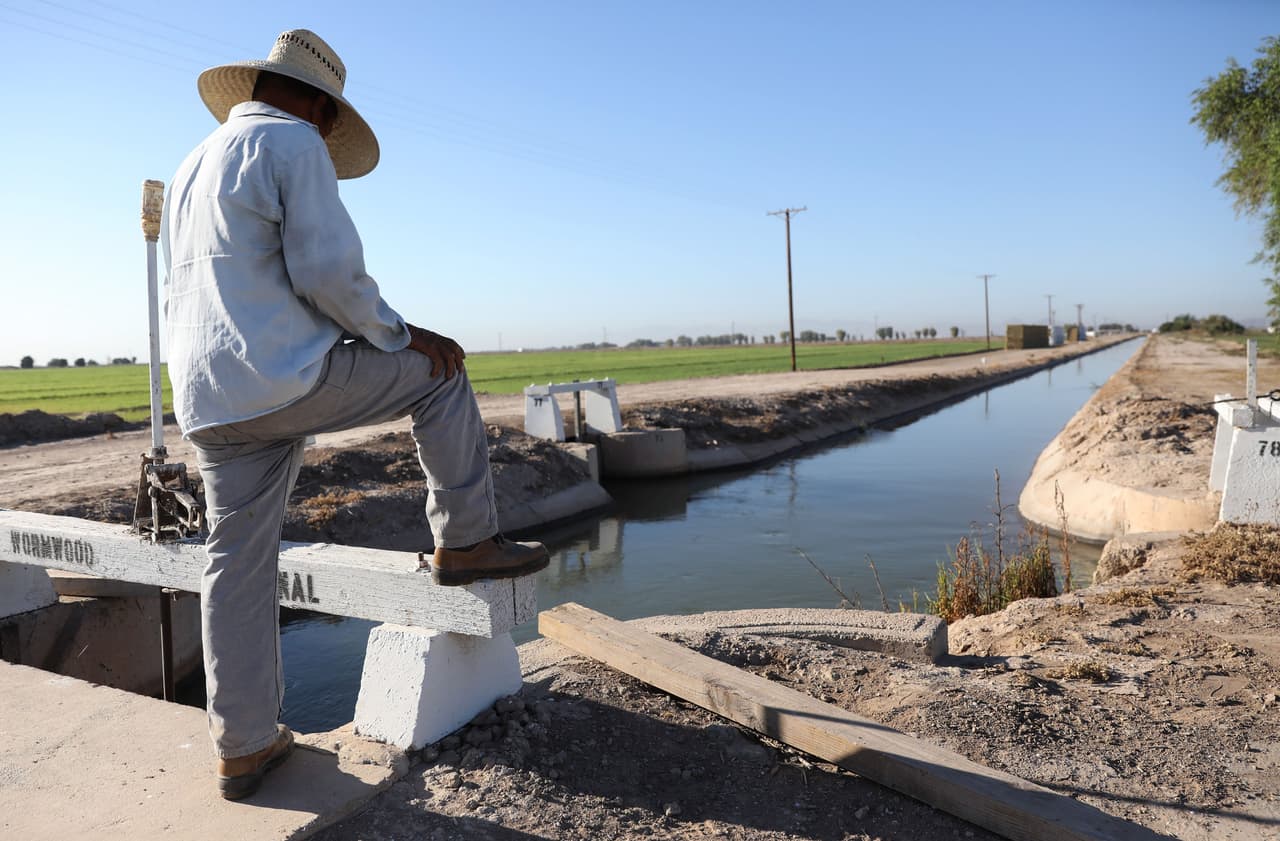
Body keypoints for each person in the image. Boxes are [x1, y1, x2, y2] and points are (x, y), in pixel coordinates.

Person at [162, 29, 549, 801]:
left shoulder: (191, 163)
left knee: (235, 563)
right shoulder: (292, 143)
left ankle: (243, 745)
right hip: (281, 376)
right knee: (440, 377)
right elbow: (328, 273)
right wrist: (403, 334)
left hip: (207, 398)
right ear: (320, 105)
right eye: (330, 116)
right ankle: (465, 540)